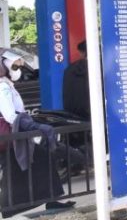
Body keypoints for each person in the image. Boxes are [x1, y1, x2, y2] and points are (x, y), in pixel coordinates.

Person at [0, 50, 76, 217]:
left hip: (16, 135)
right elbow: (10, 116)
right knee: (16, 170)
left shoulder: (6, 84)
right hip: (11, 136)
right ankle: (9, 209)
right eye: (14, 66)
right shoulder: (2, 86)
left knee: (40, 160)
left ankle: (50, 201)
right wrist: (32, 125)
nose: (17, 70)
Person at [62, 40, 90, 120]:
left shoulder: (69, 69)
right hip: (94, 113)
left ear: (81, 53)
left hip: (73, 114)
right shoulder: (101, 68)